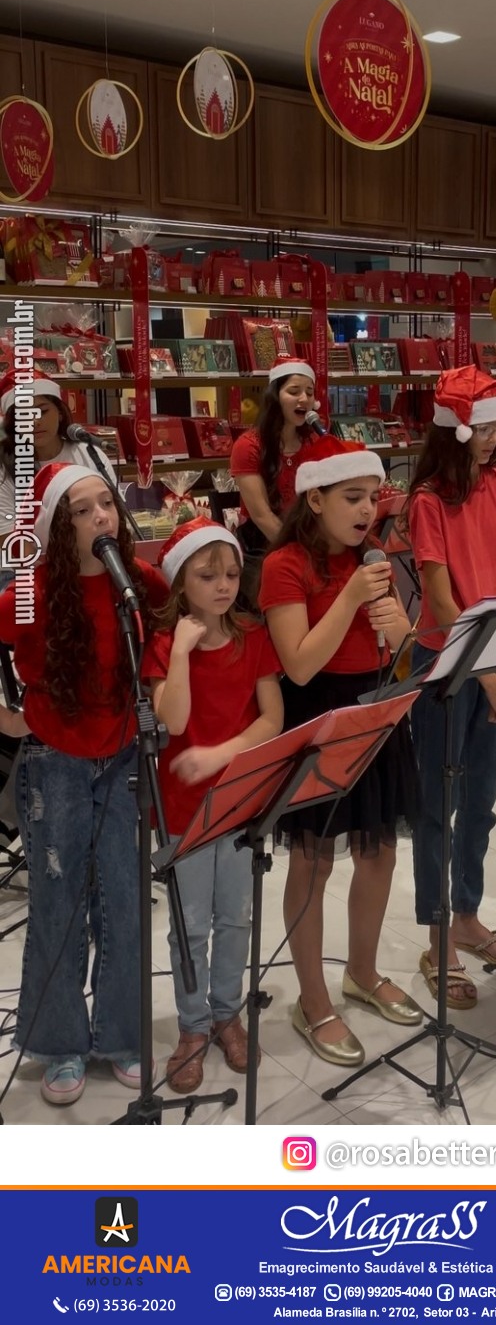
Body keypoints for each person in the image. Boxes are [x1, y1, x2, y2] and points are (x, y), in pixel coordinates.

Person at [0, 461, 167, 1105]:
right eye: (83, 509)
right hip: (55, 760)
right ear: (57, 528)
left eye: (108, 504)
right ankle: (60, 1042)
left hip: (124, 756)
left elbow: (180, 619)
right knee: (60, 904)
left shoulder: (138, 584)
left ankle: (121, 1035)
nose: (102, 517)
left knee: (124, 901)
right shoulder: (31, 590)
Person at [259, 434, 422, 1068]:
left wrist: (403, 633)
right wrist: (353, 597)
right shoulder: (285, 565)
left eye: (373, 499)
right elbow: (298, 666)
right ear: (316, 497)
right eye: (352, 498)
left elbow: (405, 654)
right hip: (316, 712)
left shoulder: (372, 556)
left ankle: (362, 970)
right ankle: (313, 999)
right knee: (314, 860)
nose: (366, 511)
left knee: (378, 851)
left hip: (374, 703)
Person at [142, 518, 284, 1095]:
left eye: (230, 573)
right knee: (188, 924)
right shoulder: (161, 644)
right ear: (181, 584)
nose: (224, 584)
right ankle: (193, 1026)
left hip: (239, 803)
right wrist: (179, 649)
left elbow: (272, 719)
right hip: (182, 812)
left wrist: (220, 753)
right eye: (208, 576)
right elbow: (173, 720)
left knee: (235, 918)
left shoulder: (253, 637)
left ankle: (228, 1013)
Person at [406, 366, 496, 1011]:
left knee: (480, 802)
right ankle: (437, 938)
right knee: (437, 807)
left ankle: (466, 916)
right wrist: (489, 676)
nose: (494, 438)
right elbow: (440, 597)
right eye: (483, 428)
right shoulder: (429, 498)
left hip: (493, 663)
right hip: (446, 671)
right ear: (455, 430)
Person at [0, 370, 117, 567]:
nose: (35, 421)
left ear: (61, 412)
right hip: (26, 573)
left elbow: (114, 519)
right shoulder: (4, 468)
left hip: (92, 564)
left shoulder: (90, 455)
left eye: (43, 411)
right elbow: (13, 546)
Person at [229, 357, 317, 602]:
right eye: (294, 391)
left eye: (309, 392)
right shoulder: (249, 446)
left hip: (308, 540)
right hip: (263, 547)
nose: (304, 399)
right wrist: (299, 553)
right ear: (275, 395)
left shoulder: (314, 442)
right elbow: (261, 516)